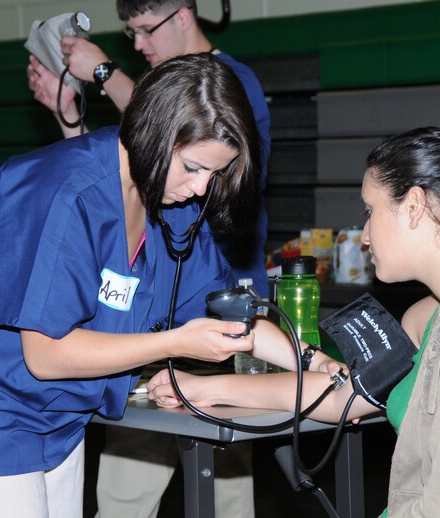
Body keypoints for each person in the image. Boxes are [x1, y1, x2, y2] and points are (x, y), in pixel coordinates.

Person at [147, 127, 440, 516]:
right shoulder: (437, 311)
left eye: (371, 211)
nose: (364, 235)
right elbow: (348, 395)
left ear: (415, 206)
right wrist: (212, 388)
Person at [0, 53, 263, 517]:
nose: (201, 188)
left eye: (215, 174)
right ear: (155, 131)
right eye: (193, 167)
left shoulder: (171, 204)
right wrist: (174, 342)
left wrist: (314, 366)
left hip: (57, 415)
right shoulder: (57, 189)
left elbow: (225, 308)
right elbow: (47, 354)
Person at [27, 2, 271, 515]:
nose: (138, 44)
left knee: (224, 487)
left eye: (146, 28)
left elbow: (160, 127)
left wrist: (100, 71)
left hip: (214, 301)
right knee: (125, 488)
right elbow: (116, 179)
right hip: (145, 309)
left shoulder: (228, 85)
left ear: (182, 14)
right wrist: (69, 119)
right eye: (130, 33)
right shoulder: (152, 160)